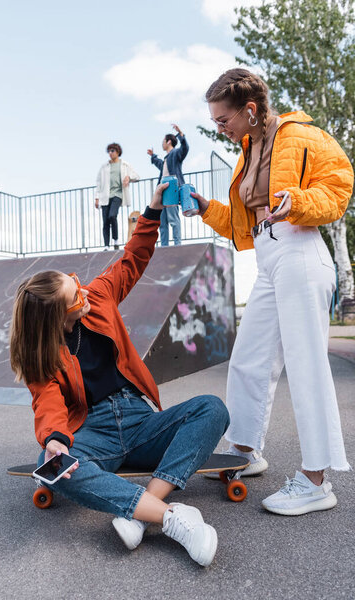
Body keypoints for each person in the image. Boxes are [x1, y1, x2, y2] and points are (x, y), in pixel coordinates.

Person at [9, 183, 230, 567]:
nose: (84, 293)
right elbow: (47, 404)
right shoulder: (40, 357)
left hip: (141, 420)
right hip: (94, 432)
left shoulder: (99, 297)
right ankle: (172, 519)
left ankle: (143, 509)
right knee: (56, 469)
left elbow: (132, 259)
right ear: (55, 319)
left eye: (77, 283)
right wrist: (55, 442)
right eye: (74, 297)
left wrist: (153, 211)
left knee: (211, 409)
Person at [192, 68, 353, 516]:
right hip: (269, 257)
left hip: (300, 252)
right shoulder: (248, 149)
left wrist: (298, 202)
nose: (218, 128)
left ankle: (317, 480)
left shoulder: (302, 134)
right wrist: (206, 208)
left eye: (223, 120)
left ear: (249, 110)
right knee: (249, 358)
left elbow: (339, 188)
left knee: (306, 365)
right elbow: (246, 221)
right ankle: (244, 450)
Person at [147, 124, 189, 246]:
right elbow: (161, 165)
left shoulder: (176, 154)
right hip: (163, 191)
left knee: (173, 219)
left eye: (163, 141)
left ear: (168, 141)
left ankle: (177, 245)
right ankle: (164, 246)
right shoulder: (166, 158)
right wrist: (153, 156)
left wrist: (181, 134)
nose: (162, 144)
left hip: (172, 189)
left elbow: (185, 148)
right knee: (162, 221)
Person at [95, 143, 140, 250]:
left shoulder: (124, 164)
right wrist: (96, 197)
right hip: (105, 196)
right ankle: (106, 245)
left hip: (118, 195)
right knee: (105, 221)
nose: (110, 153)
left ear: (118, 152)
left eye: (112, 151)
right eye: (109, 151)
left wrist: (128, 177)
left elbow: (137, 176)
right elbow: (98, 182)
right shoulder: (104, 166)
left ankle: (115, 240)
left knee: (112, 216)